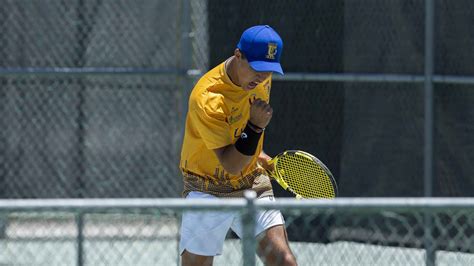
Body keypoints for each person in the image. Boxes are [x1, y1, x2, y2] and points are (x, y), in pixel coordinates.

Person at [179, 25, 297, 266]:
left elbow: (240, 145)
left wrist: (260, 155)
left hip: (251, 182)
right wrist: (255, 127)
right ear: (238, 55)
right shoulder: (208, 98)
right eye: (257, 68)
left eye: (269, 70)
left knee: (284, 262)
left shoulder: (260, 79)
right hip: (207, 188)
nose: (263, 77)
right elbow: (230, 163)